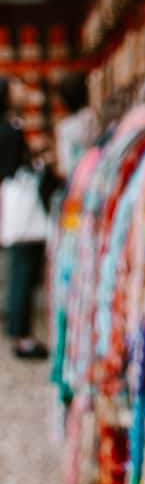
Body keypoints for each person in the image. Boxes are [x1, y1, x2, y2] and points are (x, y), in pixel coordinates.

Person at [0, 78, 50, 359]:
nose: (23, 91)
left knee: (20, 268)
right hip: (22, 205)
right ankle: (22, 335)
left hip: (13, 202)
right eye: (17, 87)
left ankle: (19, 332)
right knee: (23, 271)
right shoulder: (12, 129)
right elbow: (16, 166)